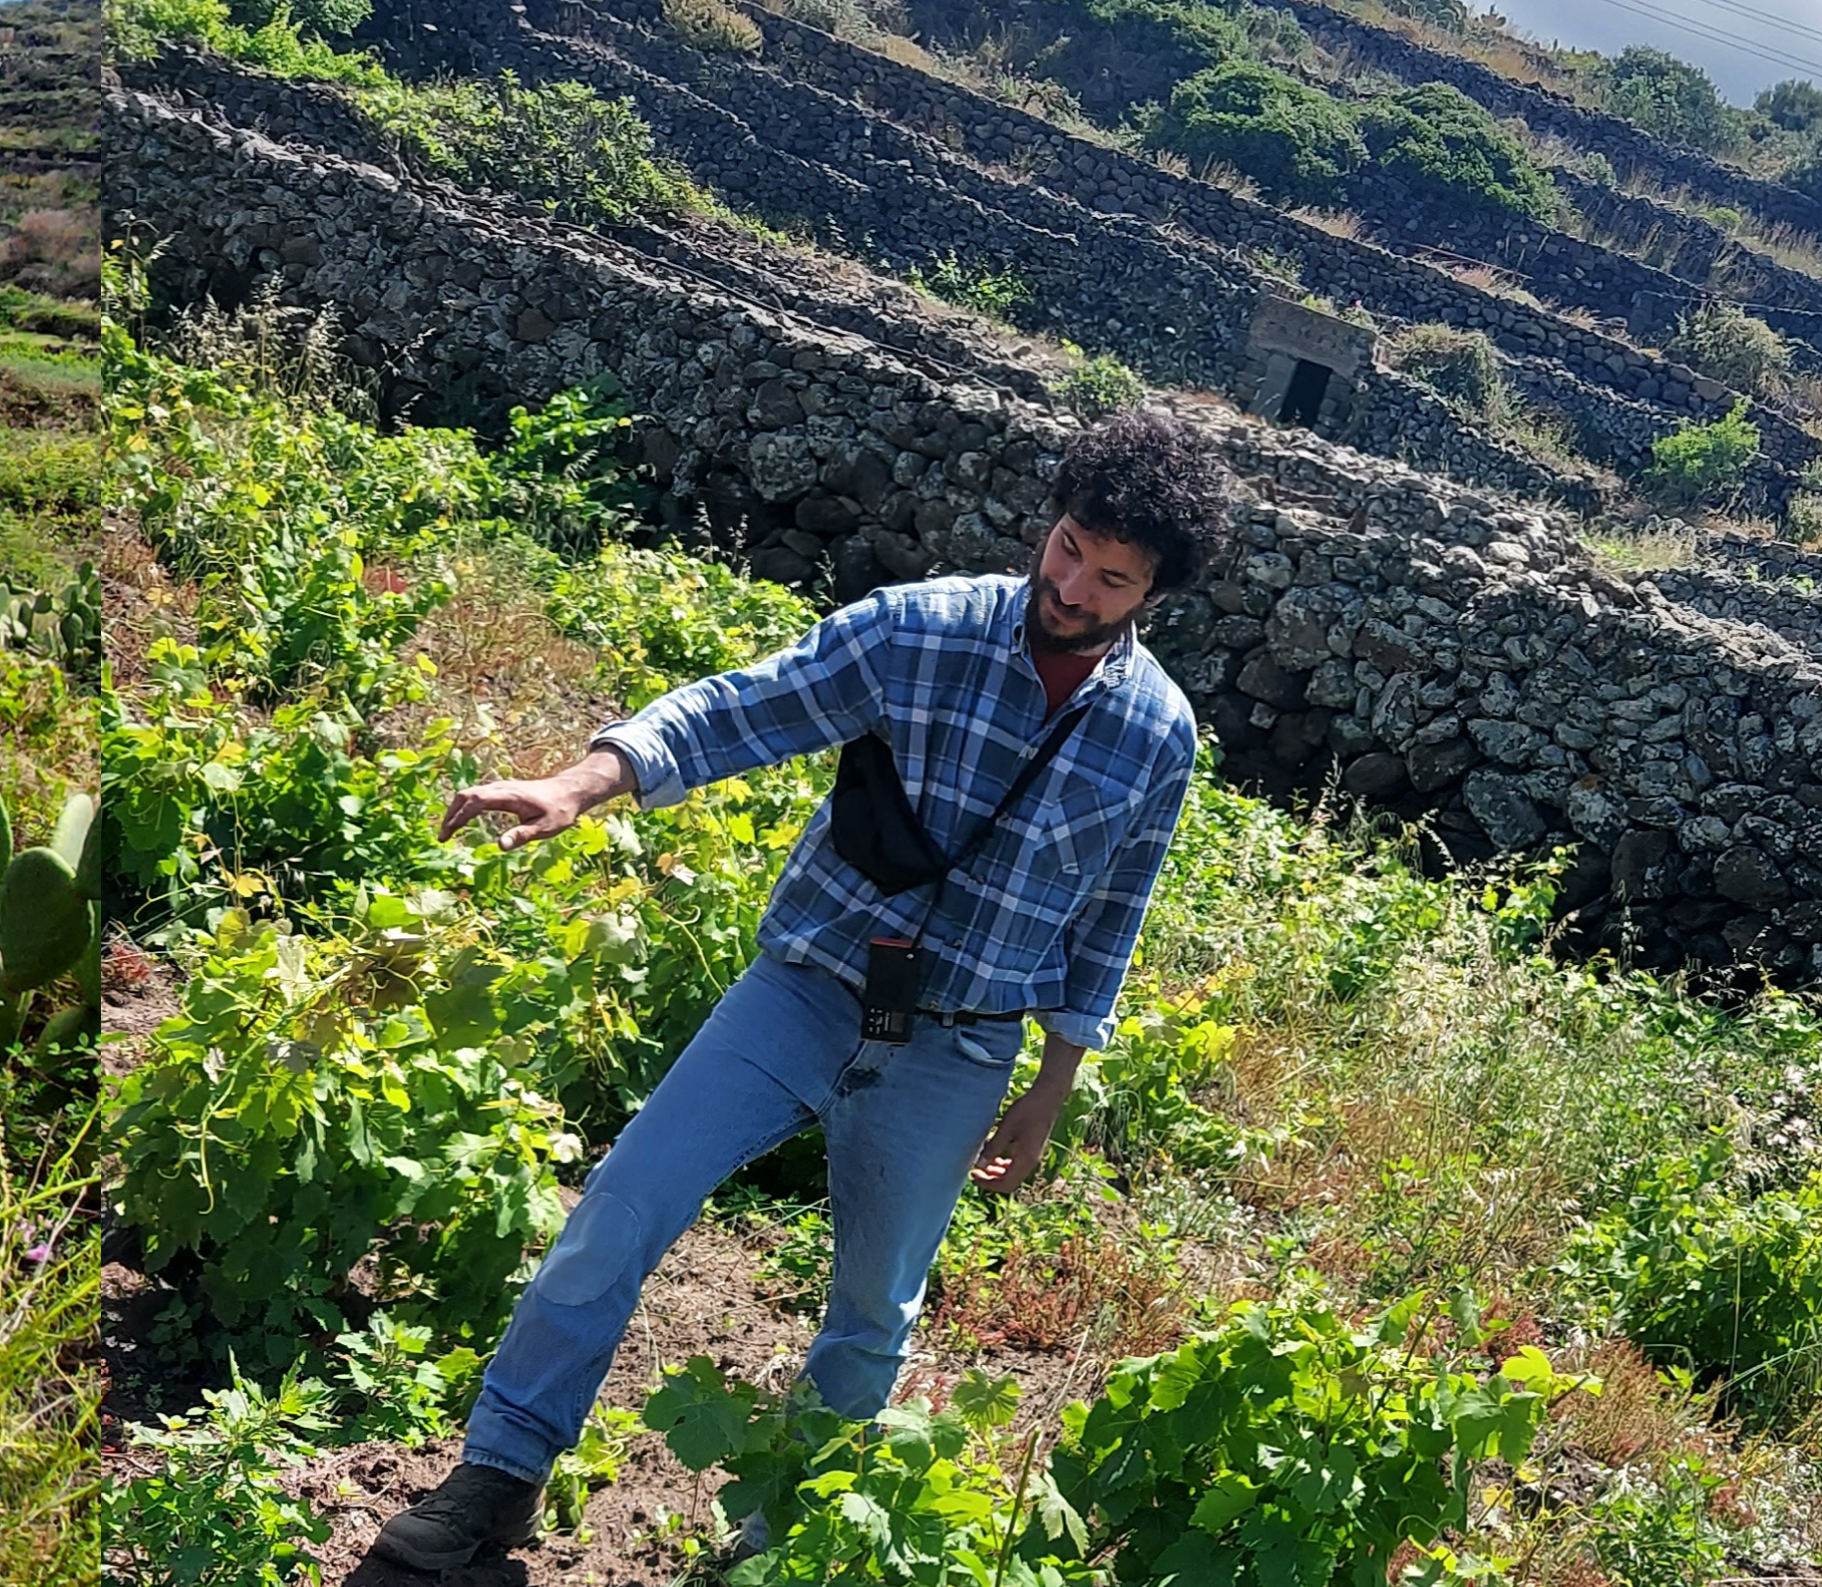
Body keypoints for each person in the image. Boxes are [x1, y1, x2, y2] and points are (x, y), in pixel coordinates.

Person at [367, 405, 1231, 1573]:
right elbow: (741, 705)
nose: (1071, 582)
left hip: (958, 1041)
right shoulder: (920, 628)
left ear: (1153, 595)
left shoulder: (1155, 732)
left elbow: (1112, 915)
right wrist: (583, 782)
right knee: (617, 1211)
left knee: (872, 1318)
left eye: (1110, 576)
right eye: (1068, 544)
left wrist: (1055, 1081)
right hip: (810, 986)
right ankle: (500, 1475)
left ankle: (773, 1547)